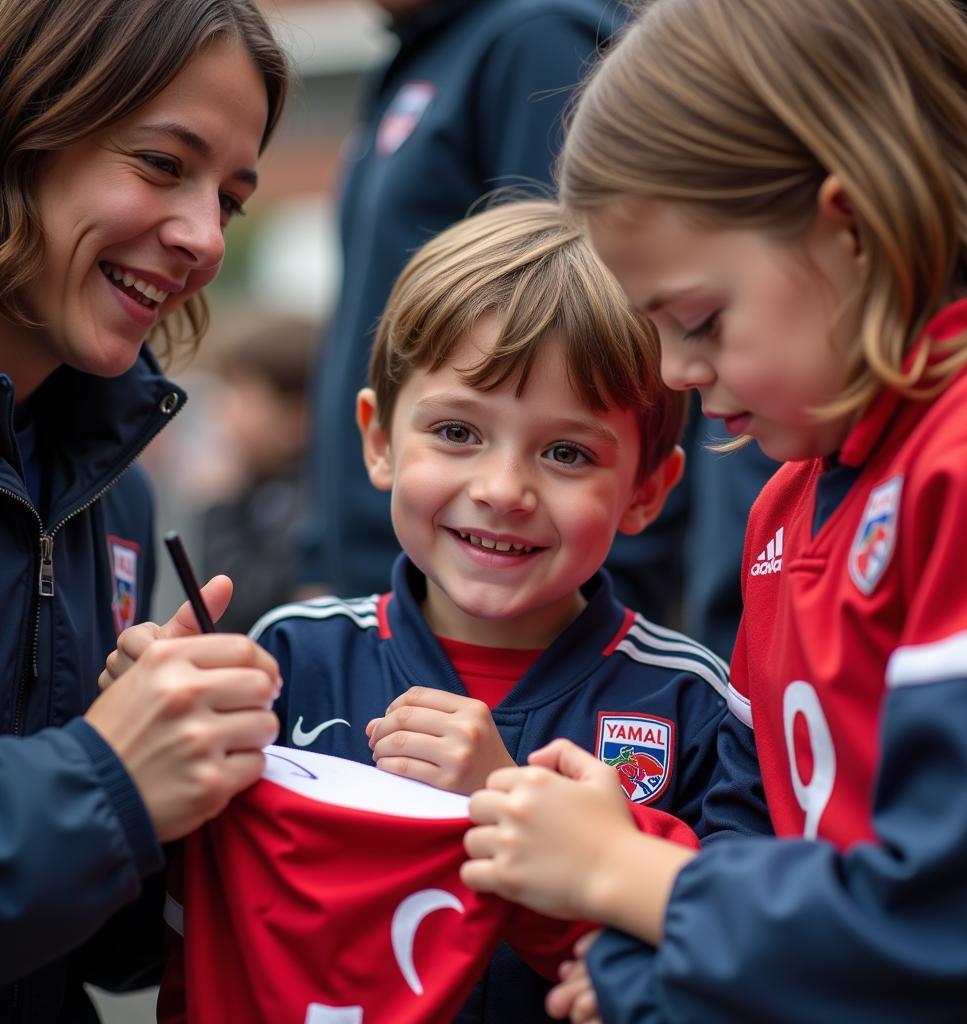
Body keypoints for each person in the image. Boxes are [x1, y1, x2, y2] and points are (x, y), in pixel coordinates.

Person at [461, 0, 967, 1021]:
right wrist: (647, 944)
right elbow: (753, 834)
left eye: (697, 319)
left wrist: (625, 877)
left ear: (850, 227)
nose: (676, 373)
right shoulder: (779, 513)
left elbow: (956, 921)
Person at [114, 200, 763, 1022]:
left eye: (566, 452)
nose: (501, 490)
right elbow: (162, 924)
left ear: (647, 492)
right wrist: (136, 745)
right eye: (458, 431)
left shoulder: (697, 706)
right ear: (379, 441)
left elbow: (722, 971)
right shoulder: (285, 665)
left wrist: (507, 804)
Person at [0, 2, 288, 1020]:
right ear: (25, 127)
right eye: (164, 164)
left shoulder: (118, 486)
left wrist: (195, 799)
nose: (204, 238)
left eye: (231, 200)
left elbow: (105, 953)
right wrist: (110, 773)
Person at [300, 0, 693, 625]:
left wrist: (585, 681)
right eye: (457, 434)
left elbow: (598, 345)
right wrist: (321, 561)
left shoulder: (537, 38)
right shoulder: (423, 54)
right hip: (395, 604)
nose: (503, 489)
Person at [198, 313, 317, 633]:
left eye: (239, 392)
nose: (221, 410)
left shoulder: (302, 504)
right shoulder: (264, 490)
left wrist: (221, 502)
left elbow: (239, 607)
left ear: (295, 416)